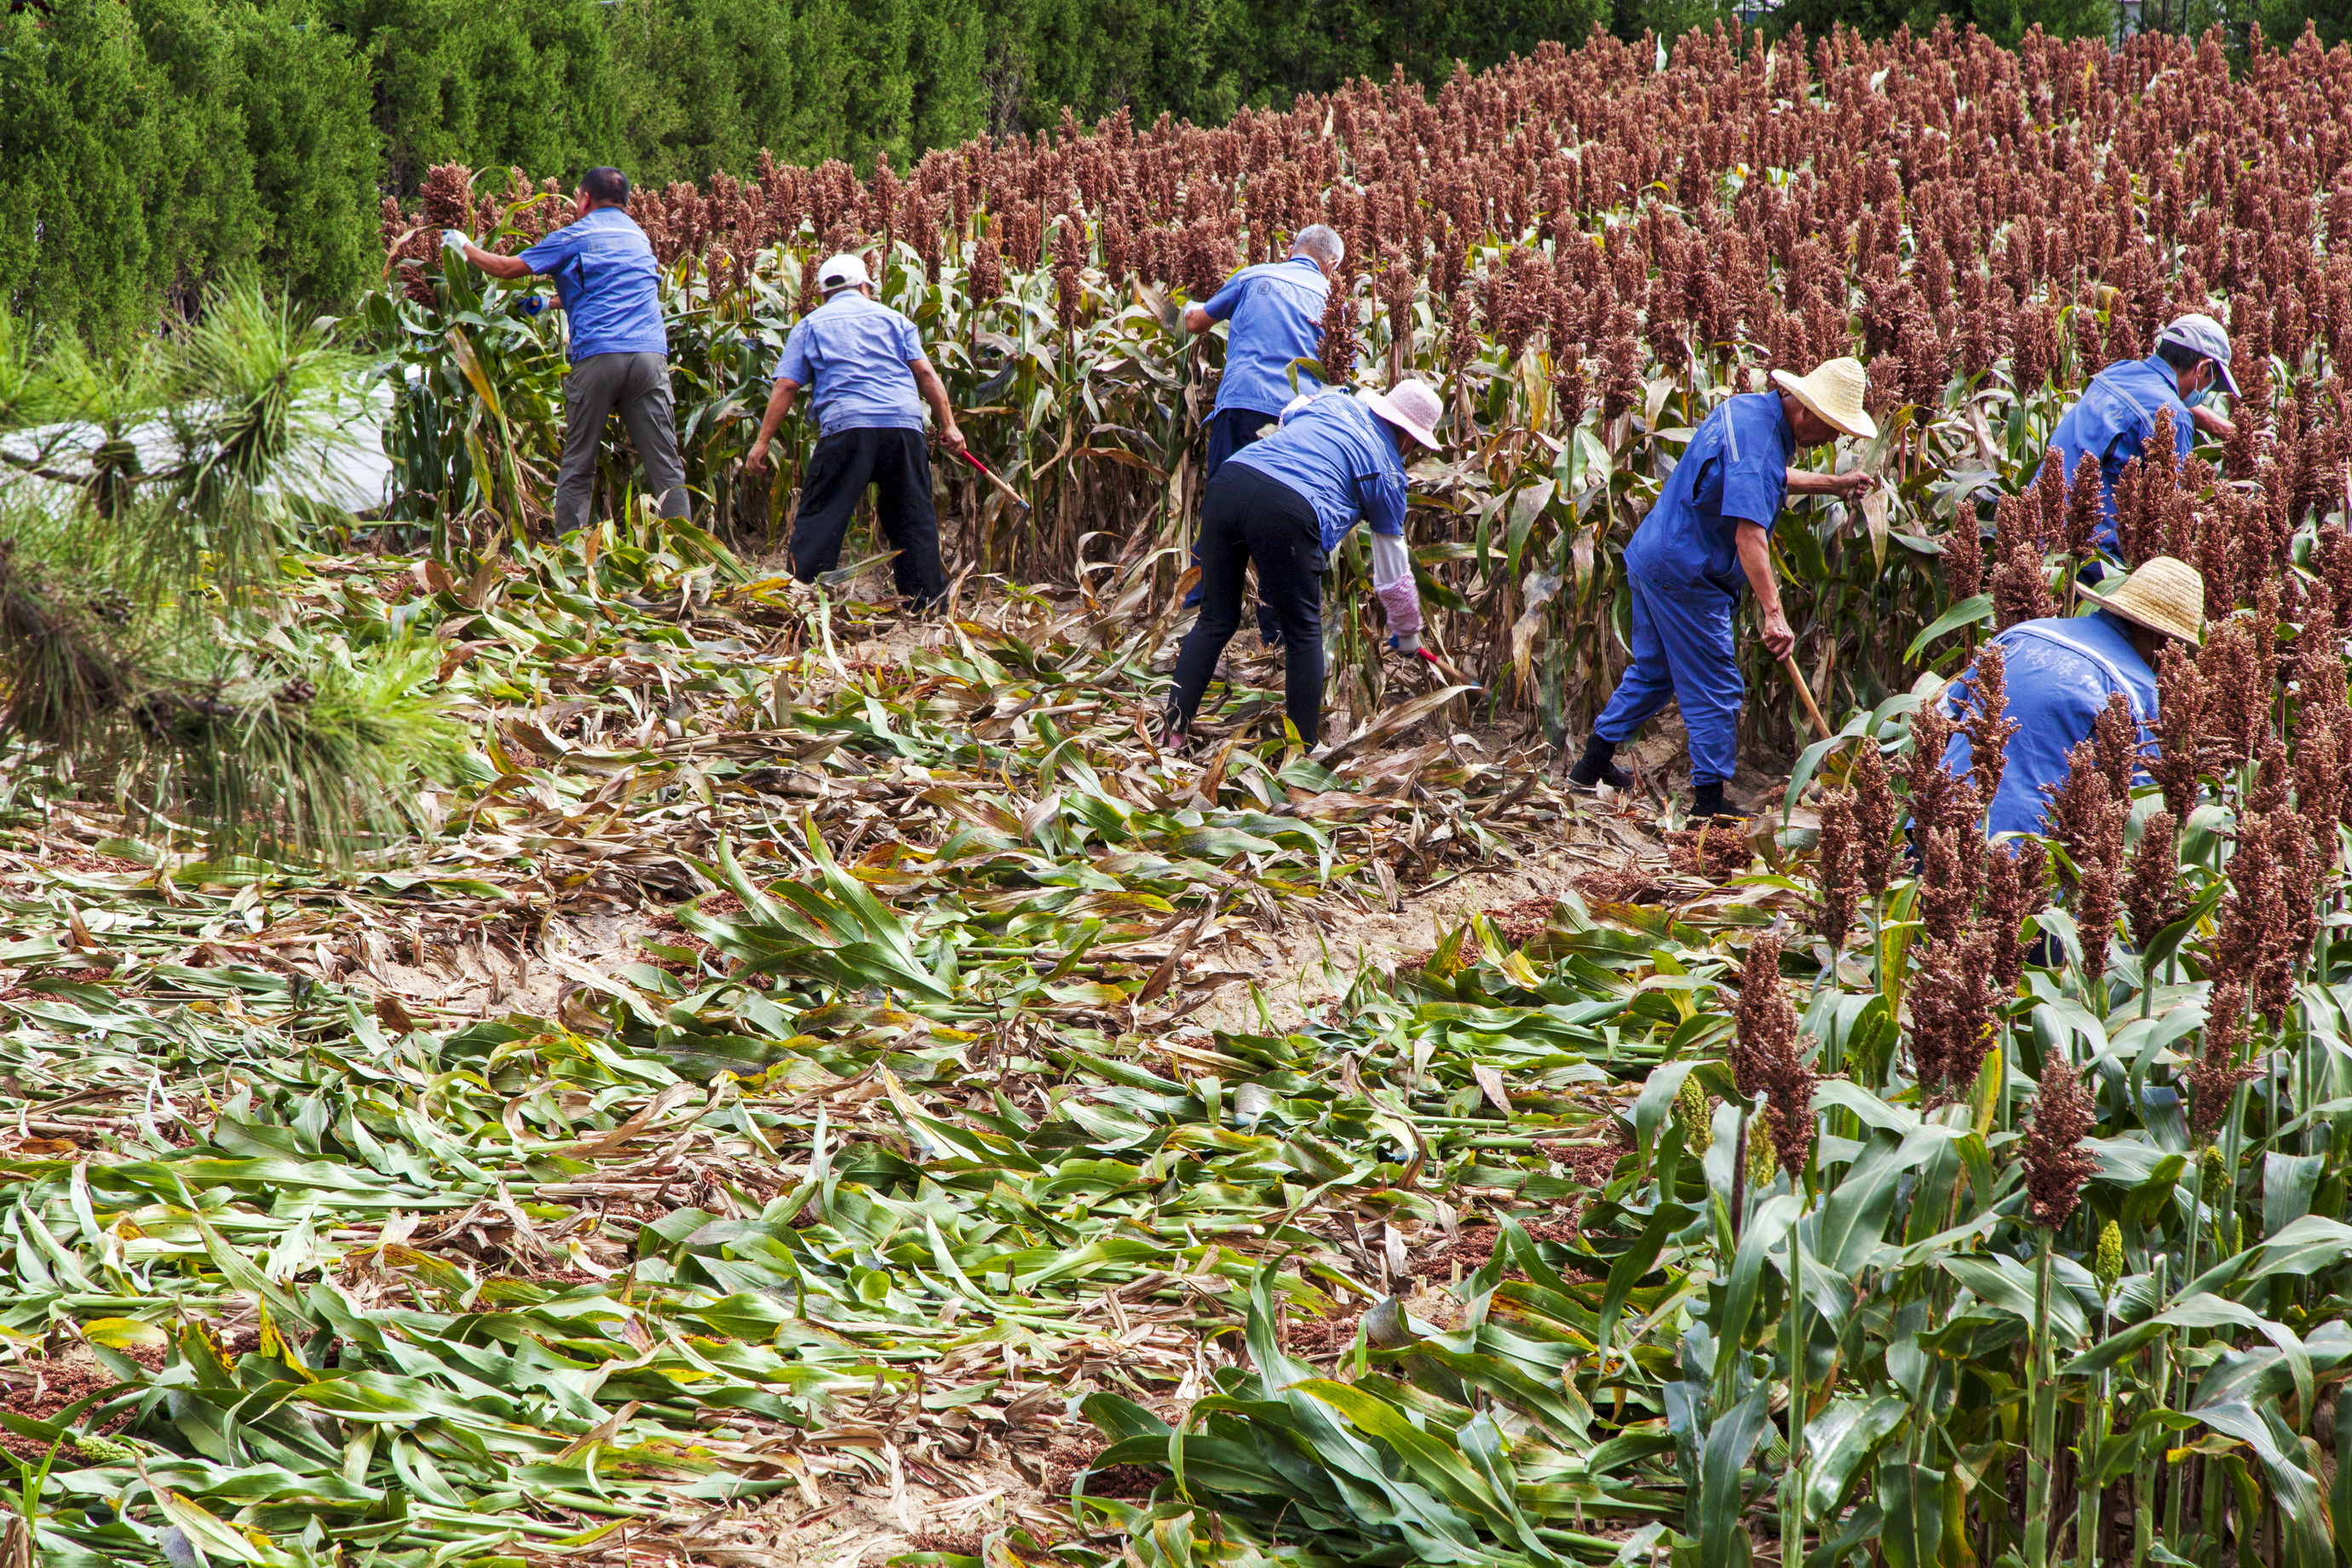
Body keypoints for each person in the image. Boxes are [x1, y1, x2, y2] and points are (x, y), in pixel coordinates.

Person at [1567, 359, 1877, 819]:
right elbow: (1748, 536)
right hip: (1687, 575)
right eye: (1833, 428)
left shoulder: (1750, 412)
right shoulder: (1759, 442)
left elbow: (1763, 475)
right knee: (1717, 688)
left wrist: (1832, 484)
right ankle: (1708, 807)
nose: (1833, 440)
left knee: (1655, 673)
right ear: (1808, 411)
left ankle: (1589, 767)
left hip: (1654, 554)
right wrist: (1775, 614)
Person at [1161, 380, 1445, 751]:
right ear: (1410, 438)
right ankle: (1301, 755)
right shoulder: (1389, 474)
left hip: (1231, 481)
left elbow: (1290, 413)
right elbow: (1393, 570)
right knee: (1304, 633)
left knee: (1215, 618)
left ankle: (1170, 734)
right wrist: (1407, 632)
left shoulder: (1334, 403)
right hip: (1291, 510)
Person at [444, 167, 689, 536]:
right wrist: (549, 304)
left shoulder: (576, 235)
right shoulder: (638, 238)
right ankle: (689, 561)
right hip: (649, 358)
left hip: (599, 358)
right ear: (625, 202)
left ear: (585, 199)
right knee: (666, 466)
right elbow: (610, 289)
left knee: (579, 463)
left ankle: (572, 562)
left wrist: (463, 246)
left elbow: (506, 268)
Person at [743, 254, 967, 612]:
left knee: (824, 512)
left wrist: (762, 441)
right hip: (902, 428)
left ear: (823, 294)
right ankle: (926, 603)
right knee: (913, 517)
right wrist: (948, 425)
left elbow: (786, 385)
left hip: (848, 428)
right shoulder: (895, 320)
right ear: (866, 286)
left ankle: (804, 597)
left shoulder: (811, 324)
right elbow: (926, 375)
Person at [1937, 556, 2205, 836]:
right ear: (2164, 642)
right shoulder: (2137, 693)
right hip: (2020, 855)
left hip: (1939, 823)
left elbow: (1943, 718)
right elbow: (2140, 812)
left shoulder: (2022, 633)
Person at [1181, 225, 1347, 646]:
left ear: (1292, 249)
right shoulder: (1334, 301)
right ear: (1331, 266)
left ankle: (1204, 607)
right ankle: (1273, 631)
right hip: (1295, 421)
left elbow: (1198, 321)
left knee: (1221, 504)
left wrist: (1187, 305)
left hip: (1240, 405)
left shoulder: (1254, 276)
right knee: (1281, 522)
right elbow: (1339, 363)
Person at [2047, 313, 2240, 565]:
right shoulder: (2175, 419)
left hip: (2041, 521)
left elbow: (2151, 395)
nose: (2206, 392)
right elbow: (2170, 514)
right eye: (2209, 382)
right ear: (2202, 368)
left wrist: (2213, 422)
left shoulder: (2119, 371)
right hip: (2088, 556)